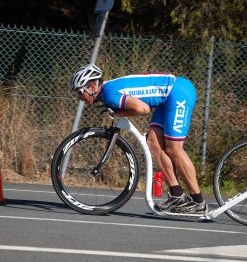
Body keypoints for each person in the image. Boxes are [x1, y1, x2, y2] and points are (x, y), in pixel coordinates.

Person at [70, 63, 207, 214]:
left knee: (174, 149)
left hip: (178, 93)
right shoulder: (108, 92)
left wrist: (117, 114)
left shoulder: (109, 94)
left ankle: (198, 201)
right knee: (153, 143)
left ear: (91, 87)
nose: (78, 97)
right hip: (167, 98)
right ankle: (177, 195)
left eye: (79, 91)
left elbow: (143, 109)